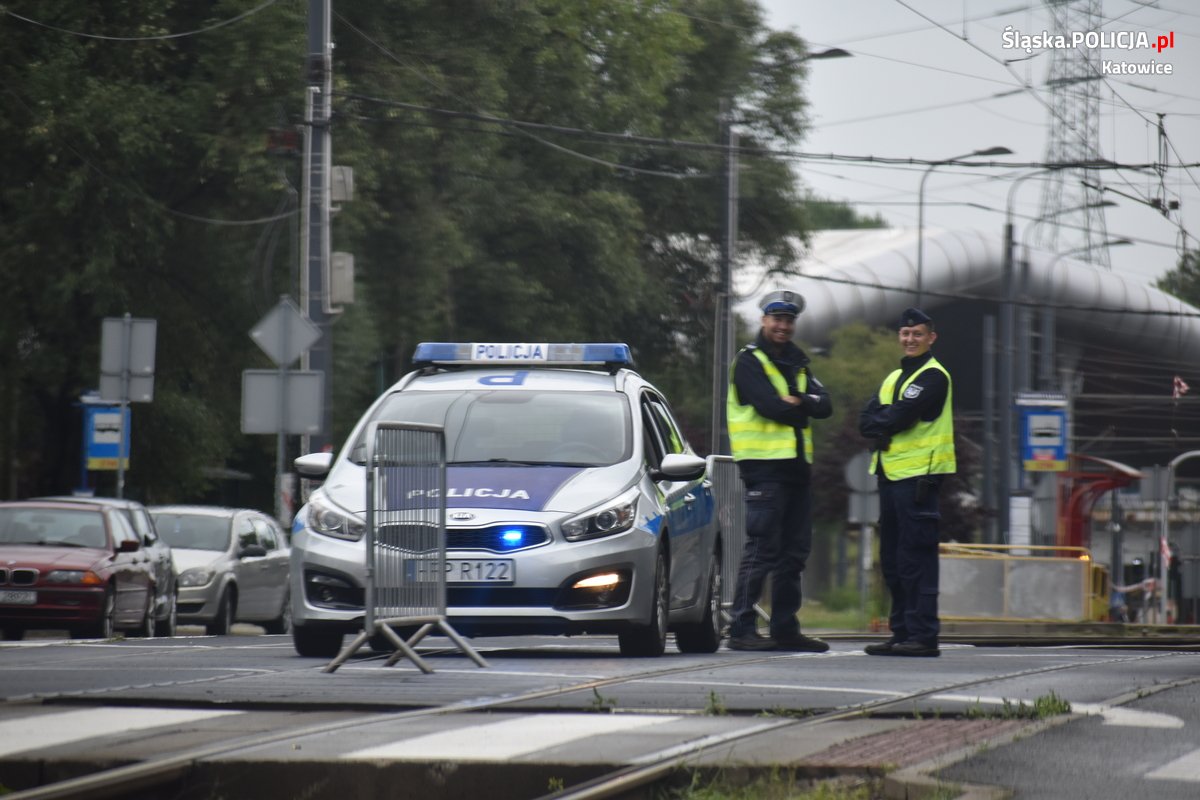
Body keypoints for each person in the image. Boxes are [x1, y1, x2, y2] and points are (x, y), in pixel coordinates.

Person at [725, 290, 833, 652]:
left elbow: (825, 405)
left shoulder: (799, 363)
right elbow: (771, 408)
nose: (783, 326)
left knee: (793, 554)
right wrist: (801, 405)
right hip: (765, 471)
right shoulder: (749, 362)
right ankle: (741, 628)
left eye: (788, 320)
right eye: (777, 319)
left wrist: (798, 401)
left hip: (797, 472)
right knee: (762, 549)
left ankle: (785, 629)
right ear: (764, 321)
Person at [859, 307, 956, 657]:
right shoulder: (892, 378)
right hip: (890, 475)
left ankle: (922, 634)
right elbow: (865, 421)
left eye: (917, 334)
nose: (910, 339)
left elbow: (898, 417)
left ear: (931, 337)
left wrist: (884, 419)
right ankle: (901, 632)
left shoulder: (933, 376)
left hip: (919, 479)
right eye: (905, 334)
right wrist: (884, 419)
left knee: (916, 558)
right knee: (893, 560)